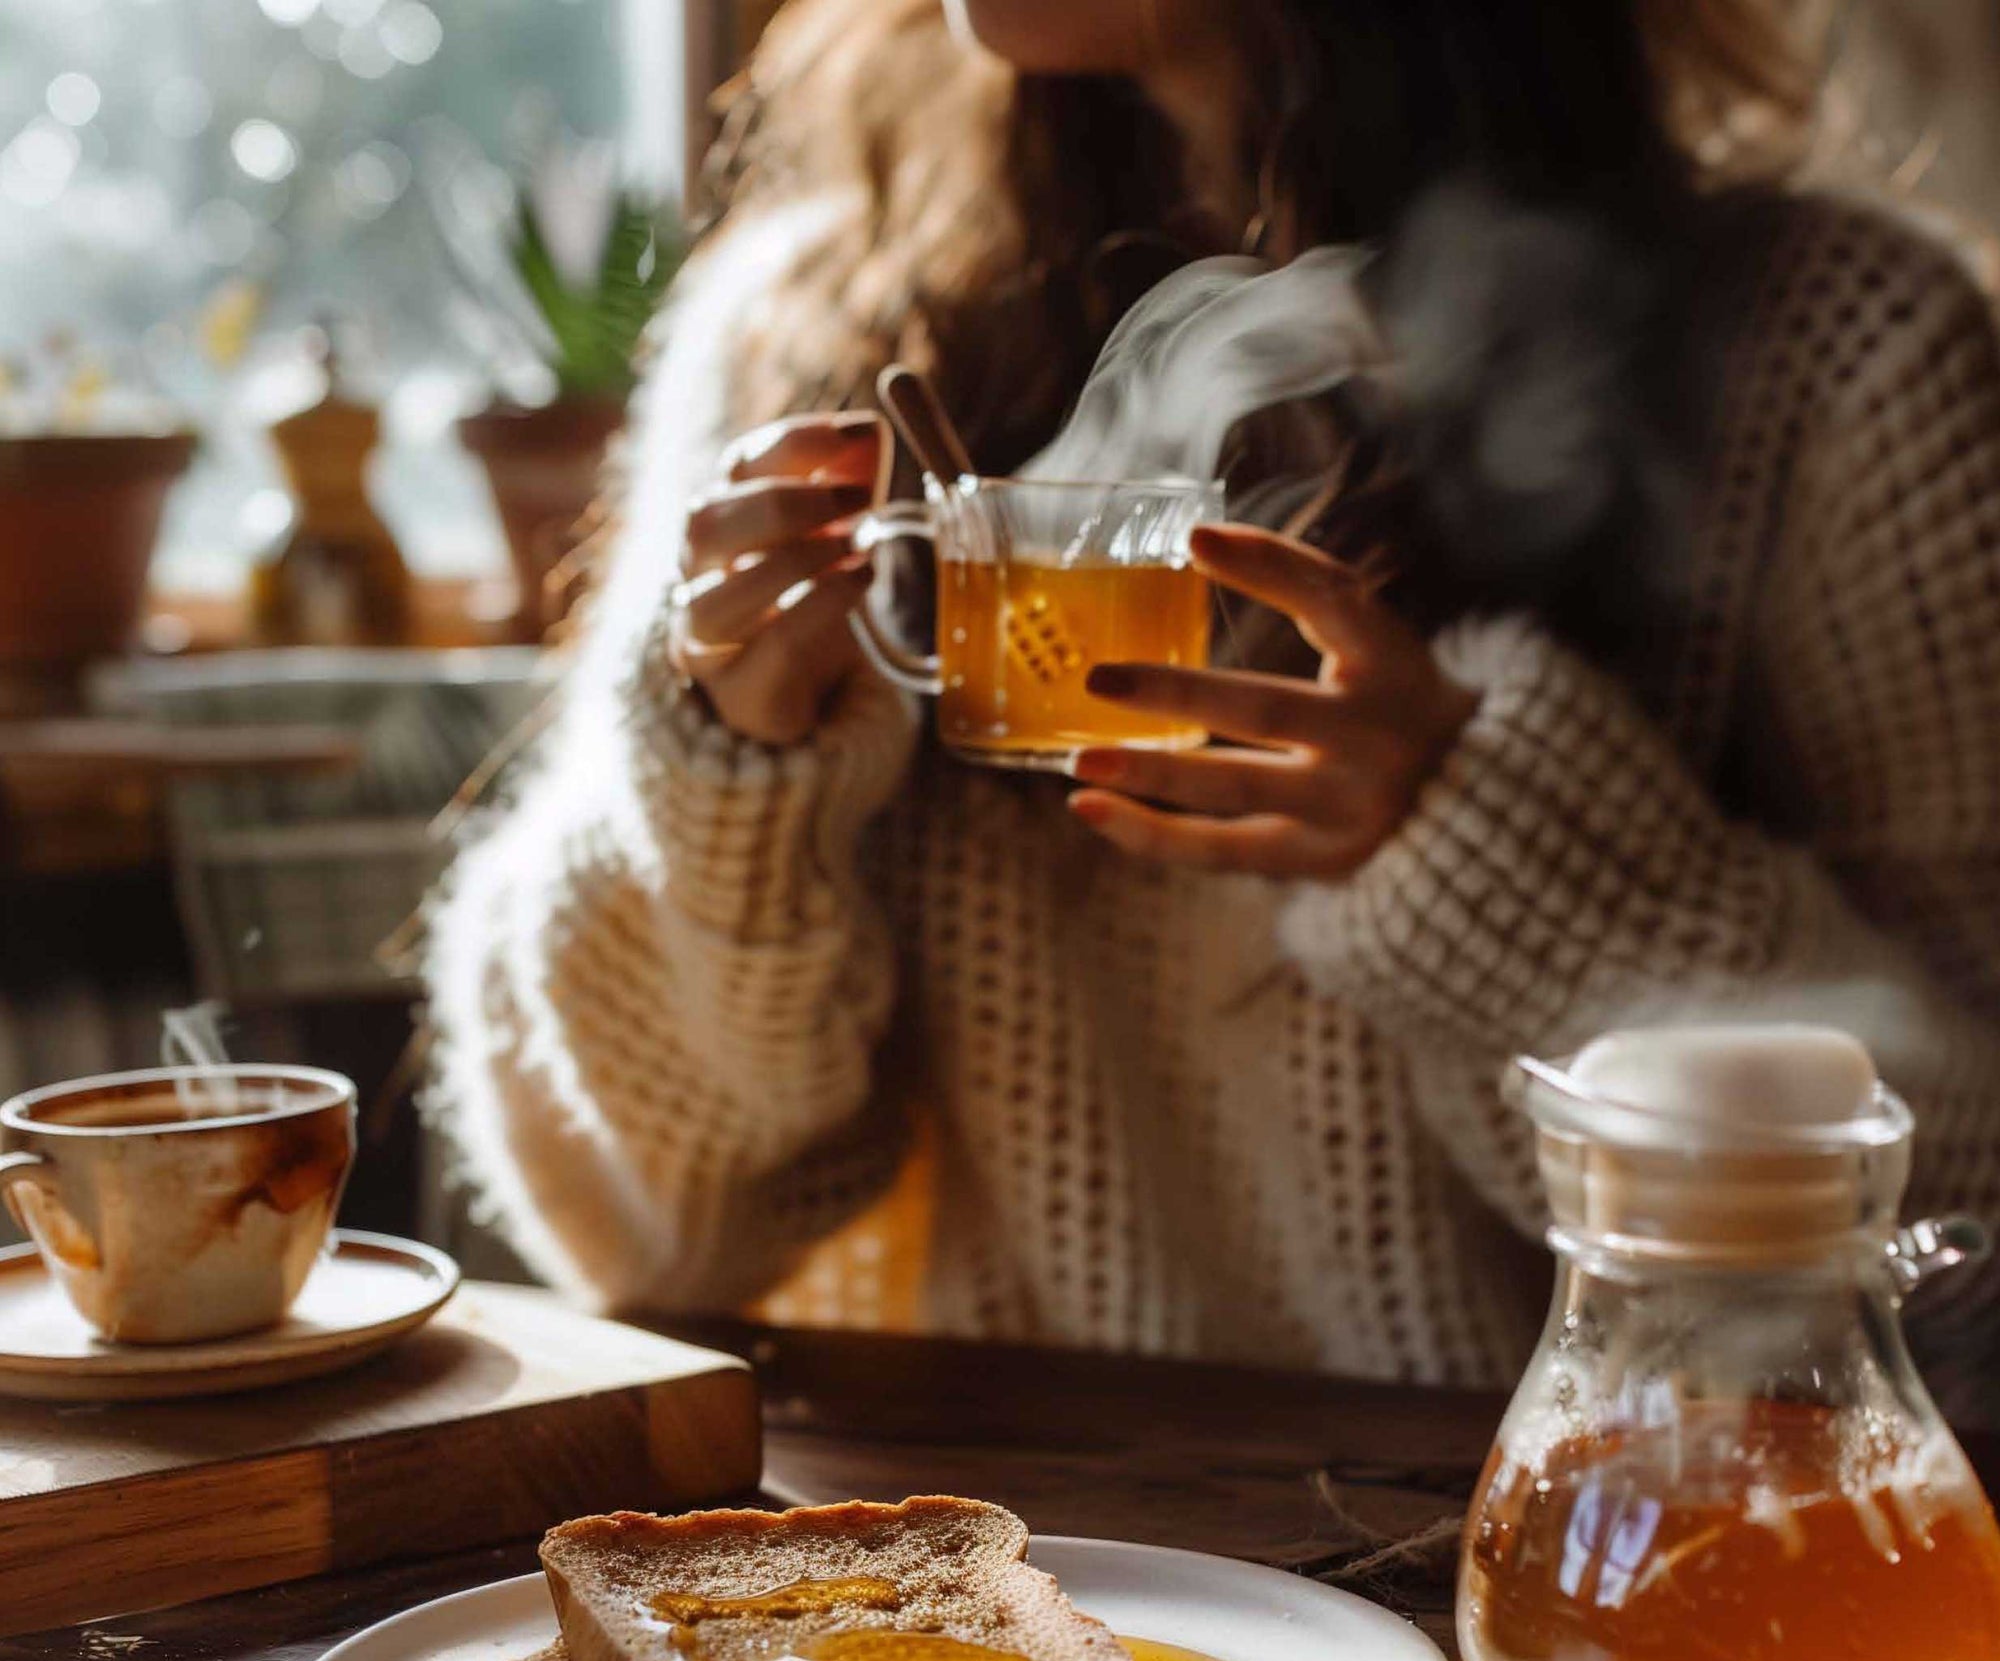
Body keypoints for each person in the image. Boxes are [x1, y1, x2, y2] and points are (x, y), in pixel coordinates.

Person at [427, 0, 2000, 1400]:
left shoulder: (1834, 355)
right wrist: (729, 781)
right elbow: (634, 1227)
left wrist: (1498, 857)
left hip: (1597, 1590)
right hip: (1002, 1568)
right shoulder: (804, 329)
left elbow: (1969, 1227)